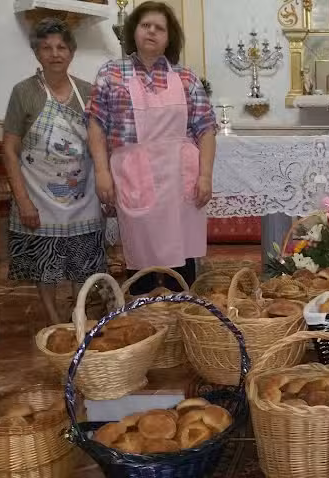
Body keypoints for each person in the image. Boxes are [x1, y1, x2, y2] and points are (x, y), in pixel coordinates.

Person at [86, 1, 216, 295]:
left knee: (181, 256)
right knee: (140, 255)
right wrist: (102, 171)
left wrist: (205, 176)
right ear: (134, 30)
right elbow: (96, 126)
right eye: (146, 25)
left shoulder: (186, 78)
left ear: (169, 38)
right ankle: (146, 320)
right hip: (134, 175)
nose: (152, 32)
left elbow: (206, 130)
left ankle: (183, 314)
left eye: (160, 28)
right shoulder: (111, 74)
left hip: (179, 177)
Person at [2, 18, 106, 325]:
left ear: (71, 52)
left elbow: (99, 145)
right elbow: (9, 150)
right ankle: (52, 320)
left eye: (61, 47)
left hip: (82, 196)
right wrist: (23, 201)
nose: (55, 53)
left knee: (83, 264)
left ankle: (79, 317)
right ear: (36, 53)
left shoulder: (87, 91)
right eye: (46, 47)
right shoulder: (23, 93)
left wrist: (104, 185)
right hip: (39, 197)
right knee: (44, 265)